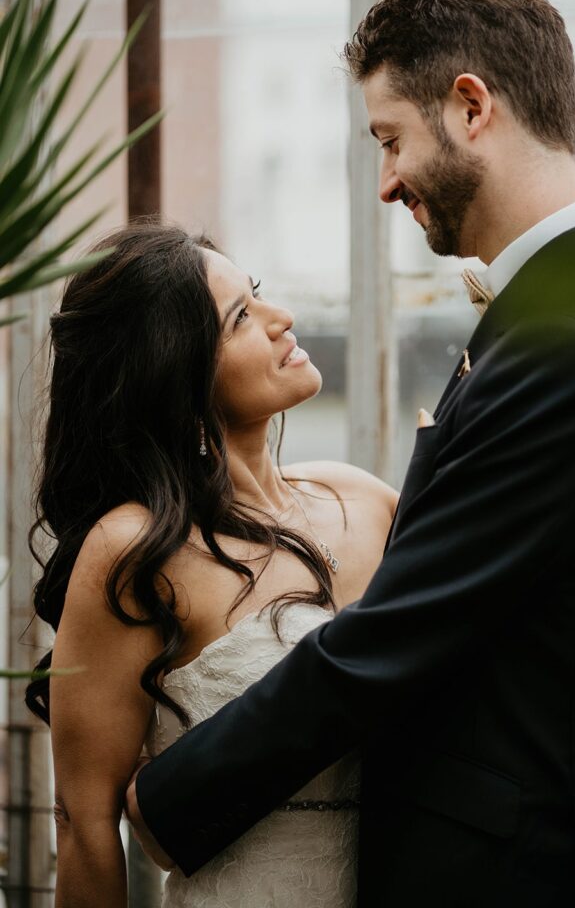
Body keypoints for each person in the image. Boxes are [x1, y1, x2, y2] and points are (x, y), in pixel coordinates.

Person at [127, 0, 575, 908]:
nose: (386, 183)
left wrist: (172, 797)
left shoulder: (572, 346)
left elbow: (402, 630)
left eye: (390, 139)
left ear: (471, 106)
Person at [25, 224, 398, 907]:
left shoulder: (365, 499)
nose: (282, 318)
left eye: (256, 294)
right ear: (177, 372)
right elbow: (85, 827)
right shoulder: (137, 552)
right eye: (241, 318)